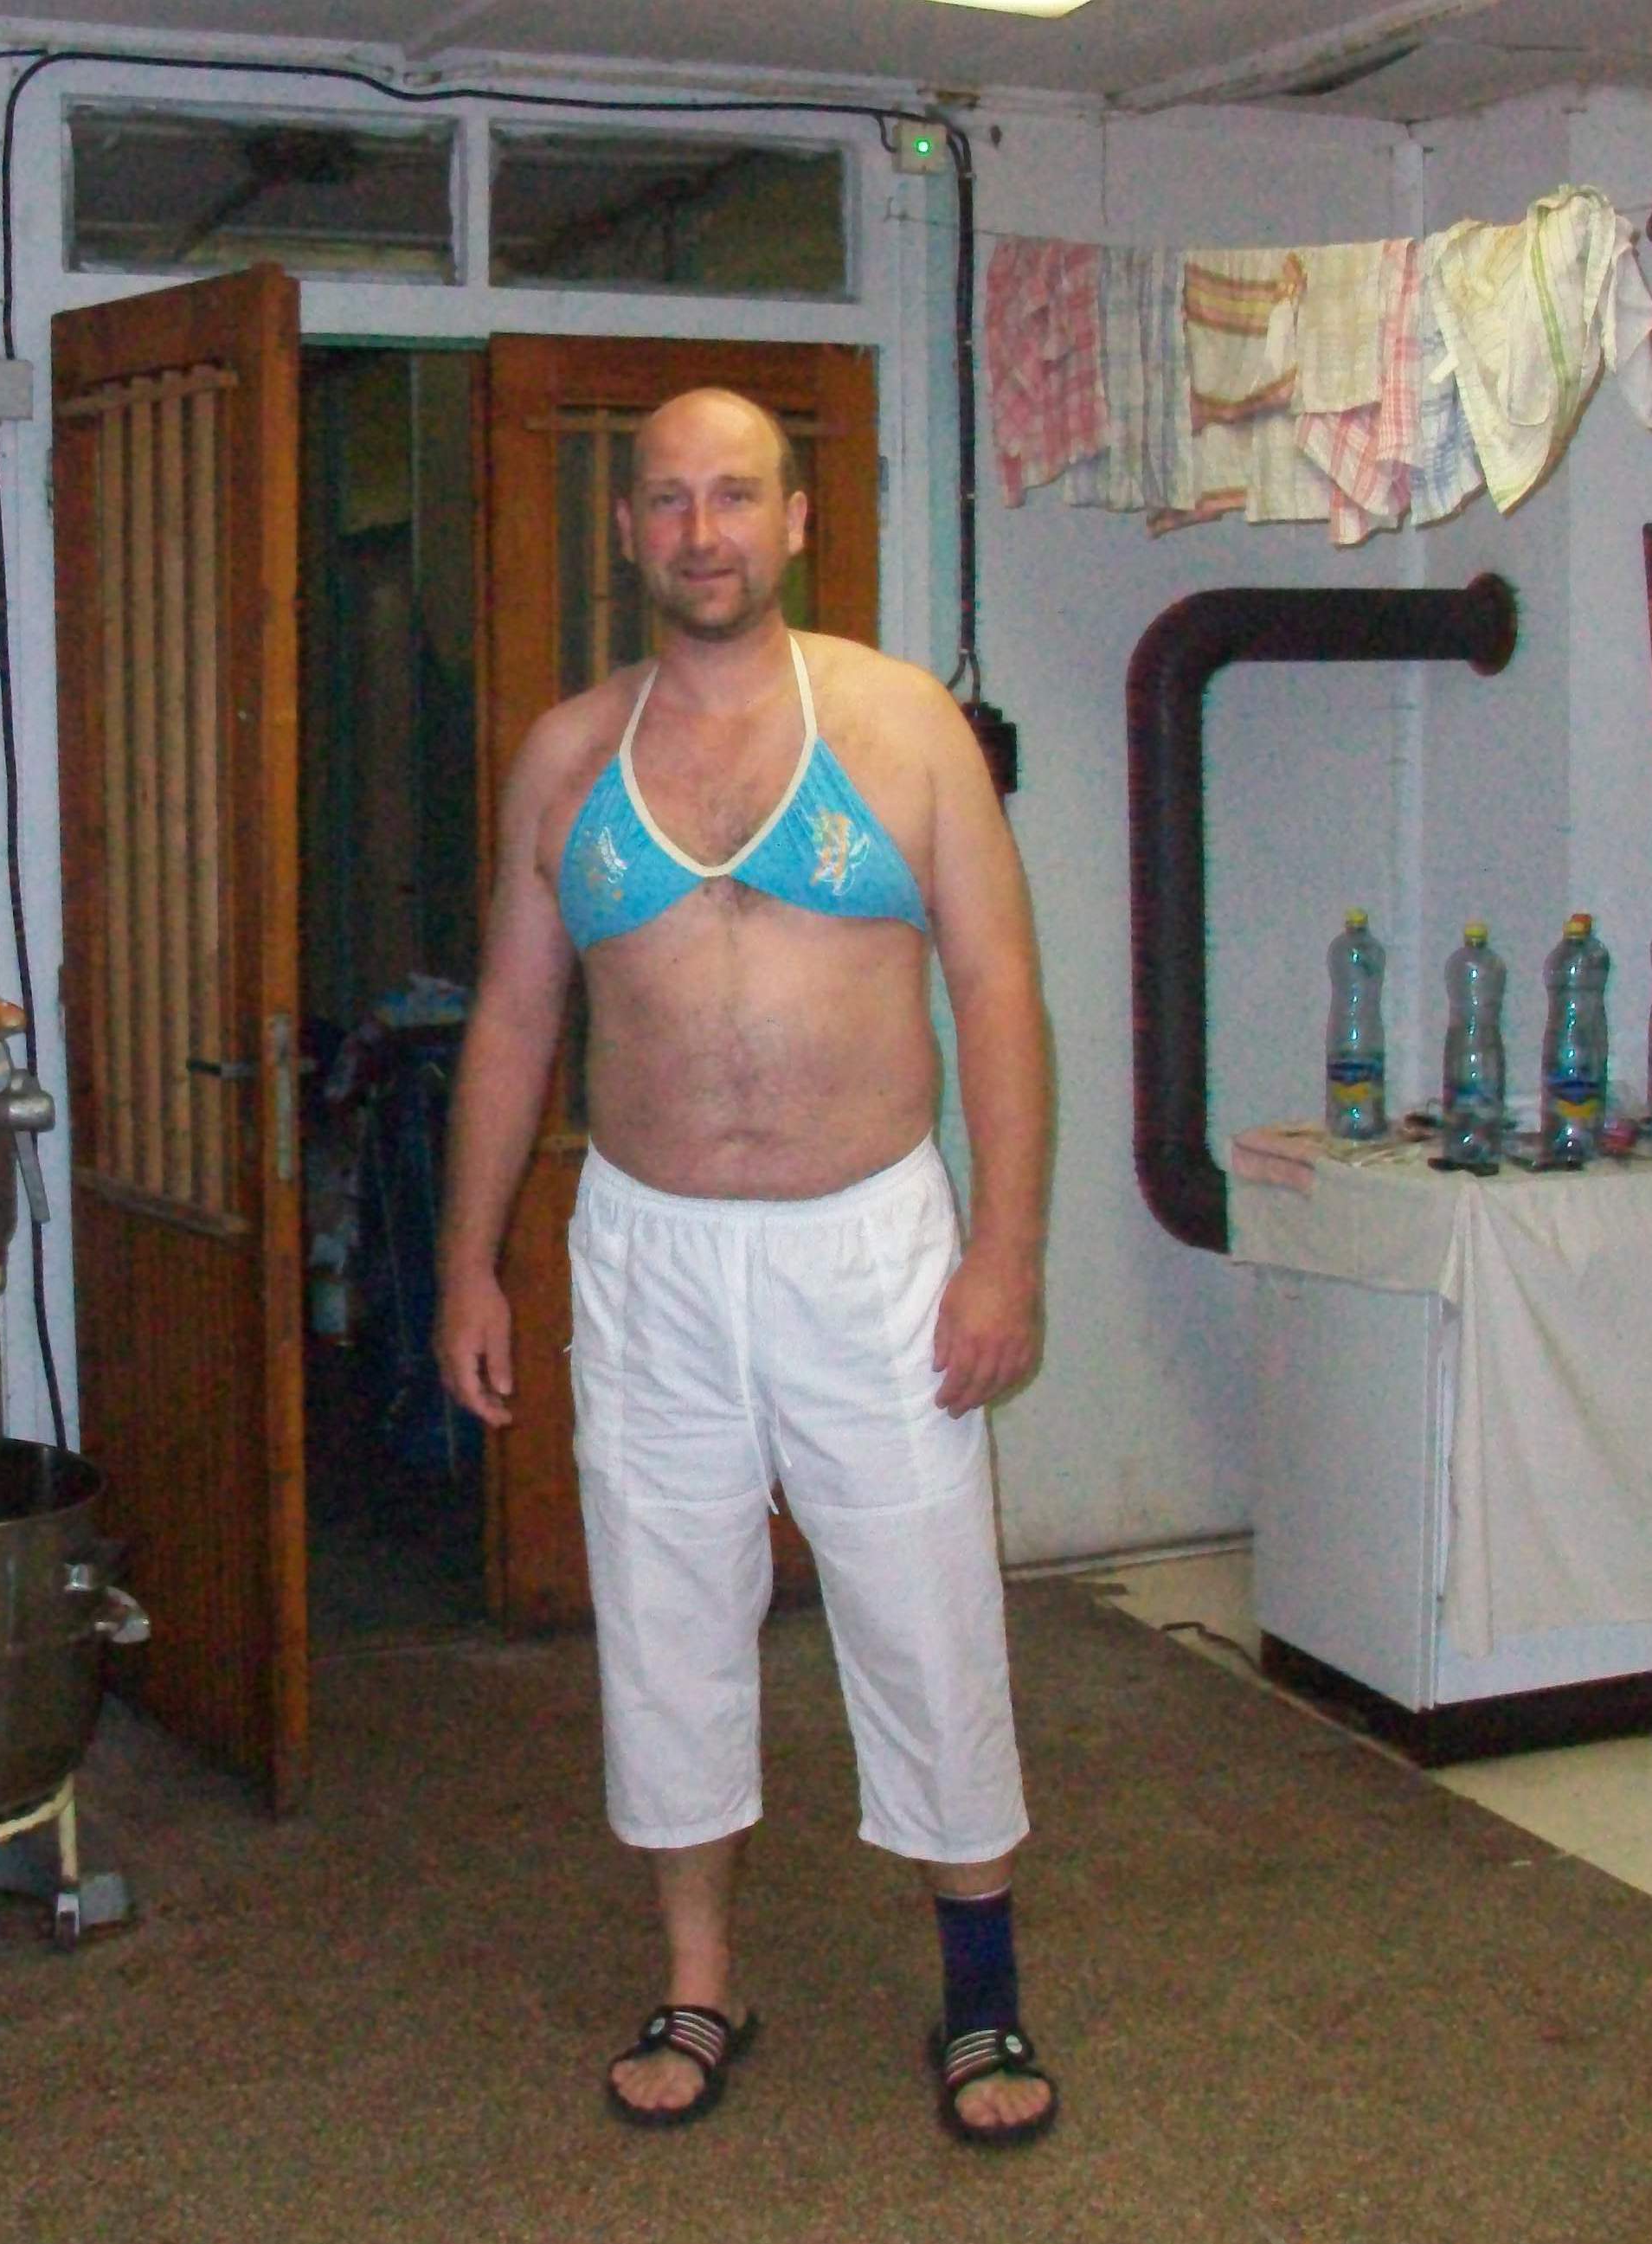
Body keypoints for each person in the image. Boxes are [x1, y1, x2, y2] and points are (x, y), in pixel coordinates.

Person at [434, 386, 1055, 2148]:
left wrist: (1003, 1251)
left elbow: (998, 991)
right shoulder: (567, 758)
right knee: (663, 1615)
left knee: (923, 1608)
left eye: (733, 495)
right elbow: (513, 1019)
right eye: (665, 499)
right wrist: (468, 1263)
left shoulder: (900, 725)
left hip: (871, 1248)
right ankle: (699, 1980)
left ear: (794, 519)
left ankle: (981, 1987)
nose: (698, 530)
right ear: (628, 529)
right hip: (648, 1252)